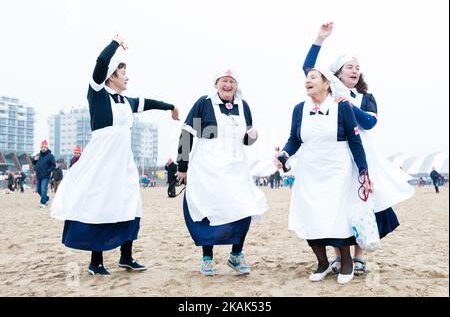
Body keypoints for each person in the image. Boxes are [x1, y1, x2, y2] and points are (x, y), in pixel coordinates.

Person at [50, 34, 179, 276]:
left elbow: (148, 102)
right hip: (101, 160)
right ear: (111, 76)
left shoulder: (126, 101)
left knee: (131, 203)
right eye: (123, 73)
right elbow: (100, 62)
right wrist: (115, 44)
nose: (127, 77)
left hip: (124, 161)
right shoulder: (97, 93)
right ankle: (95, 261)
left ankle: (126, 257)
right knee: (100, 205)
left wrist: (171, 107)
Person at [302, 22, 415, 275]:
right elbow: (309, 69)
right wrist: (319, 38)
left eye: (357, 68)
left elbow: (370, 122)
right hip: (337, 155)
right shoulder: (330, 91)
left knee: (363, 202)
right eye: (349, 67)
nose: (354, 71)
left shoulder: (365, 97)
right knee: (337, 203)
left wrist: (351, 106)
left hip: (363, 154)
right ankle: (337, 256)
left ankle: (359, 254)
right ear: (337, 74)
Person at [276, 67, 371, 284]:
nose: (307, 81)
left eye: (313, 77)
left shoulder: (342, 106)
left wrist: (364, 172)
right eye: (307, 78)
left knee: (337, 216)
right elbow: (294, 139)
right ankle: (321, 262)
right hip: (309, 169)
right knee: (310, 215)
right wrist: (284, 153)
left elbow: (355, 142)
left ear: (327, 83)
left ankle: (346, 261)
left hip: (338, 168)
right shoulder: (299, 109)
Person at [176, 69, 267, 276]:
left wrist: (253, 136)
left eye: (232, 81)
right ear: (216, 83)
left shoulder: (243, 106)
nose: (228, 85)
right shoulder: (204, 103)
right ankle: (207, 258)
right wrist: (183, 166)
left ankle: (236, 255)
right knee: (210, 210)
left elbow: (246, 140)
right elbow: (187, 133)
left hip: (236, 167)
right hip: (207, 167)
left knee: (244, 208)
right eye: (224, 81)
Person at [32, 140, 56, 207]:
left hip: (45, 176)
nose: (43, 148)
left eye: (44, 147)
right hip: (38, 175)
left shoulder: (50, 156)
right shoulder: (38, 155)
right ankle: (47, 198)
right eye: (42, 147)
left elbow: (53, 165)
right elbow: (33, 163)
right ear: (40, 147)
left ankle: (43, 203)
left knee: (43, 189)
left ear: (47, 147)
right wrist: (34, 159)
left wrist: (48, 171)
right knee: (38, 190)